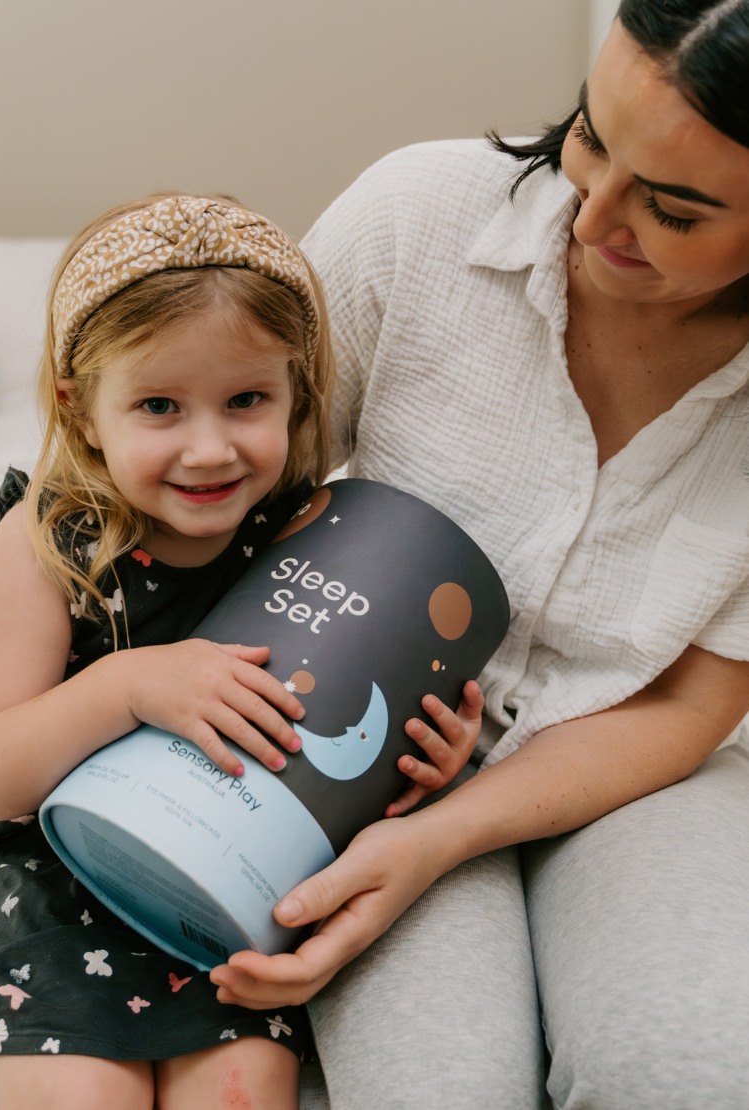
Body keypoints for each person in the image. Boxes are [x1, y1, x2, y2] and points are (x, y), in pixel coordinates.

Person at [204, 3, 749, 1107]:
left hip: (634, 770)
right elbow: (182, 476)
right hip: (359, 753)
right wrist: (14, 727)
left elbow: (691, 707)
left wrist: (450, 835)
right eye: (590, 136)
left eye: (675, 208)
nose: (590, 214)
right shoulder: (418, 215)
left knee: (689, 1069)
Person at [0, 195, 483, 1110]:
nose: (210, 448)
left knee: (240, 1094)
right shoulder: (49, 541)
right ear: (82, 409)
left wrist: (422, 763)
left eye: (247, 400)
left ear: (298, 392)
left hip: (231, 875)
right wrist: (128, 685)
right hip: (51, 886)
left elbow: (334, 728)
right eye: (158, 406)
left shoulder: (312, 534)